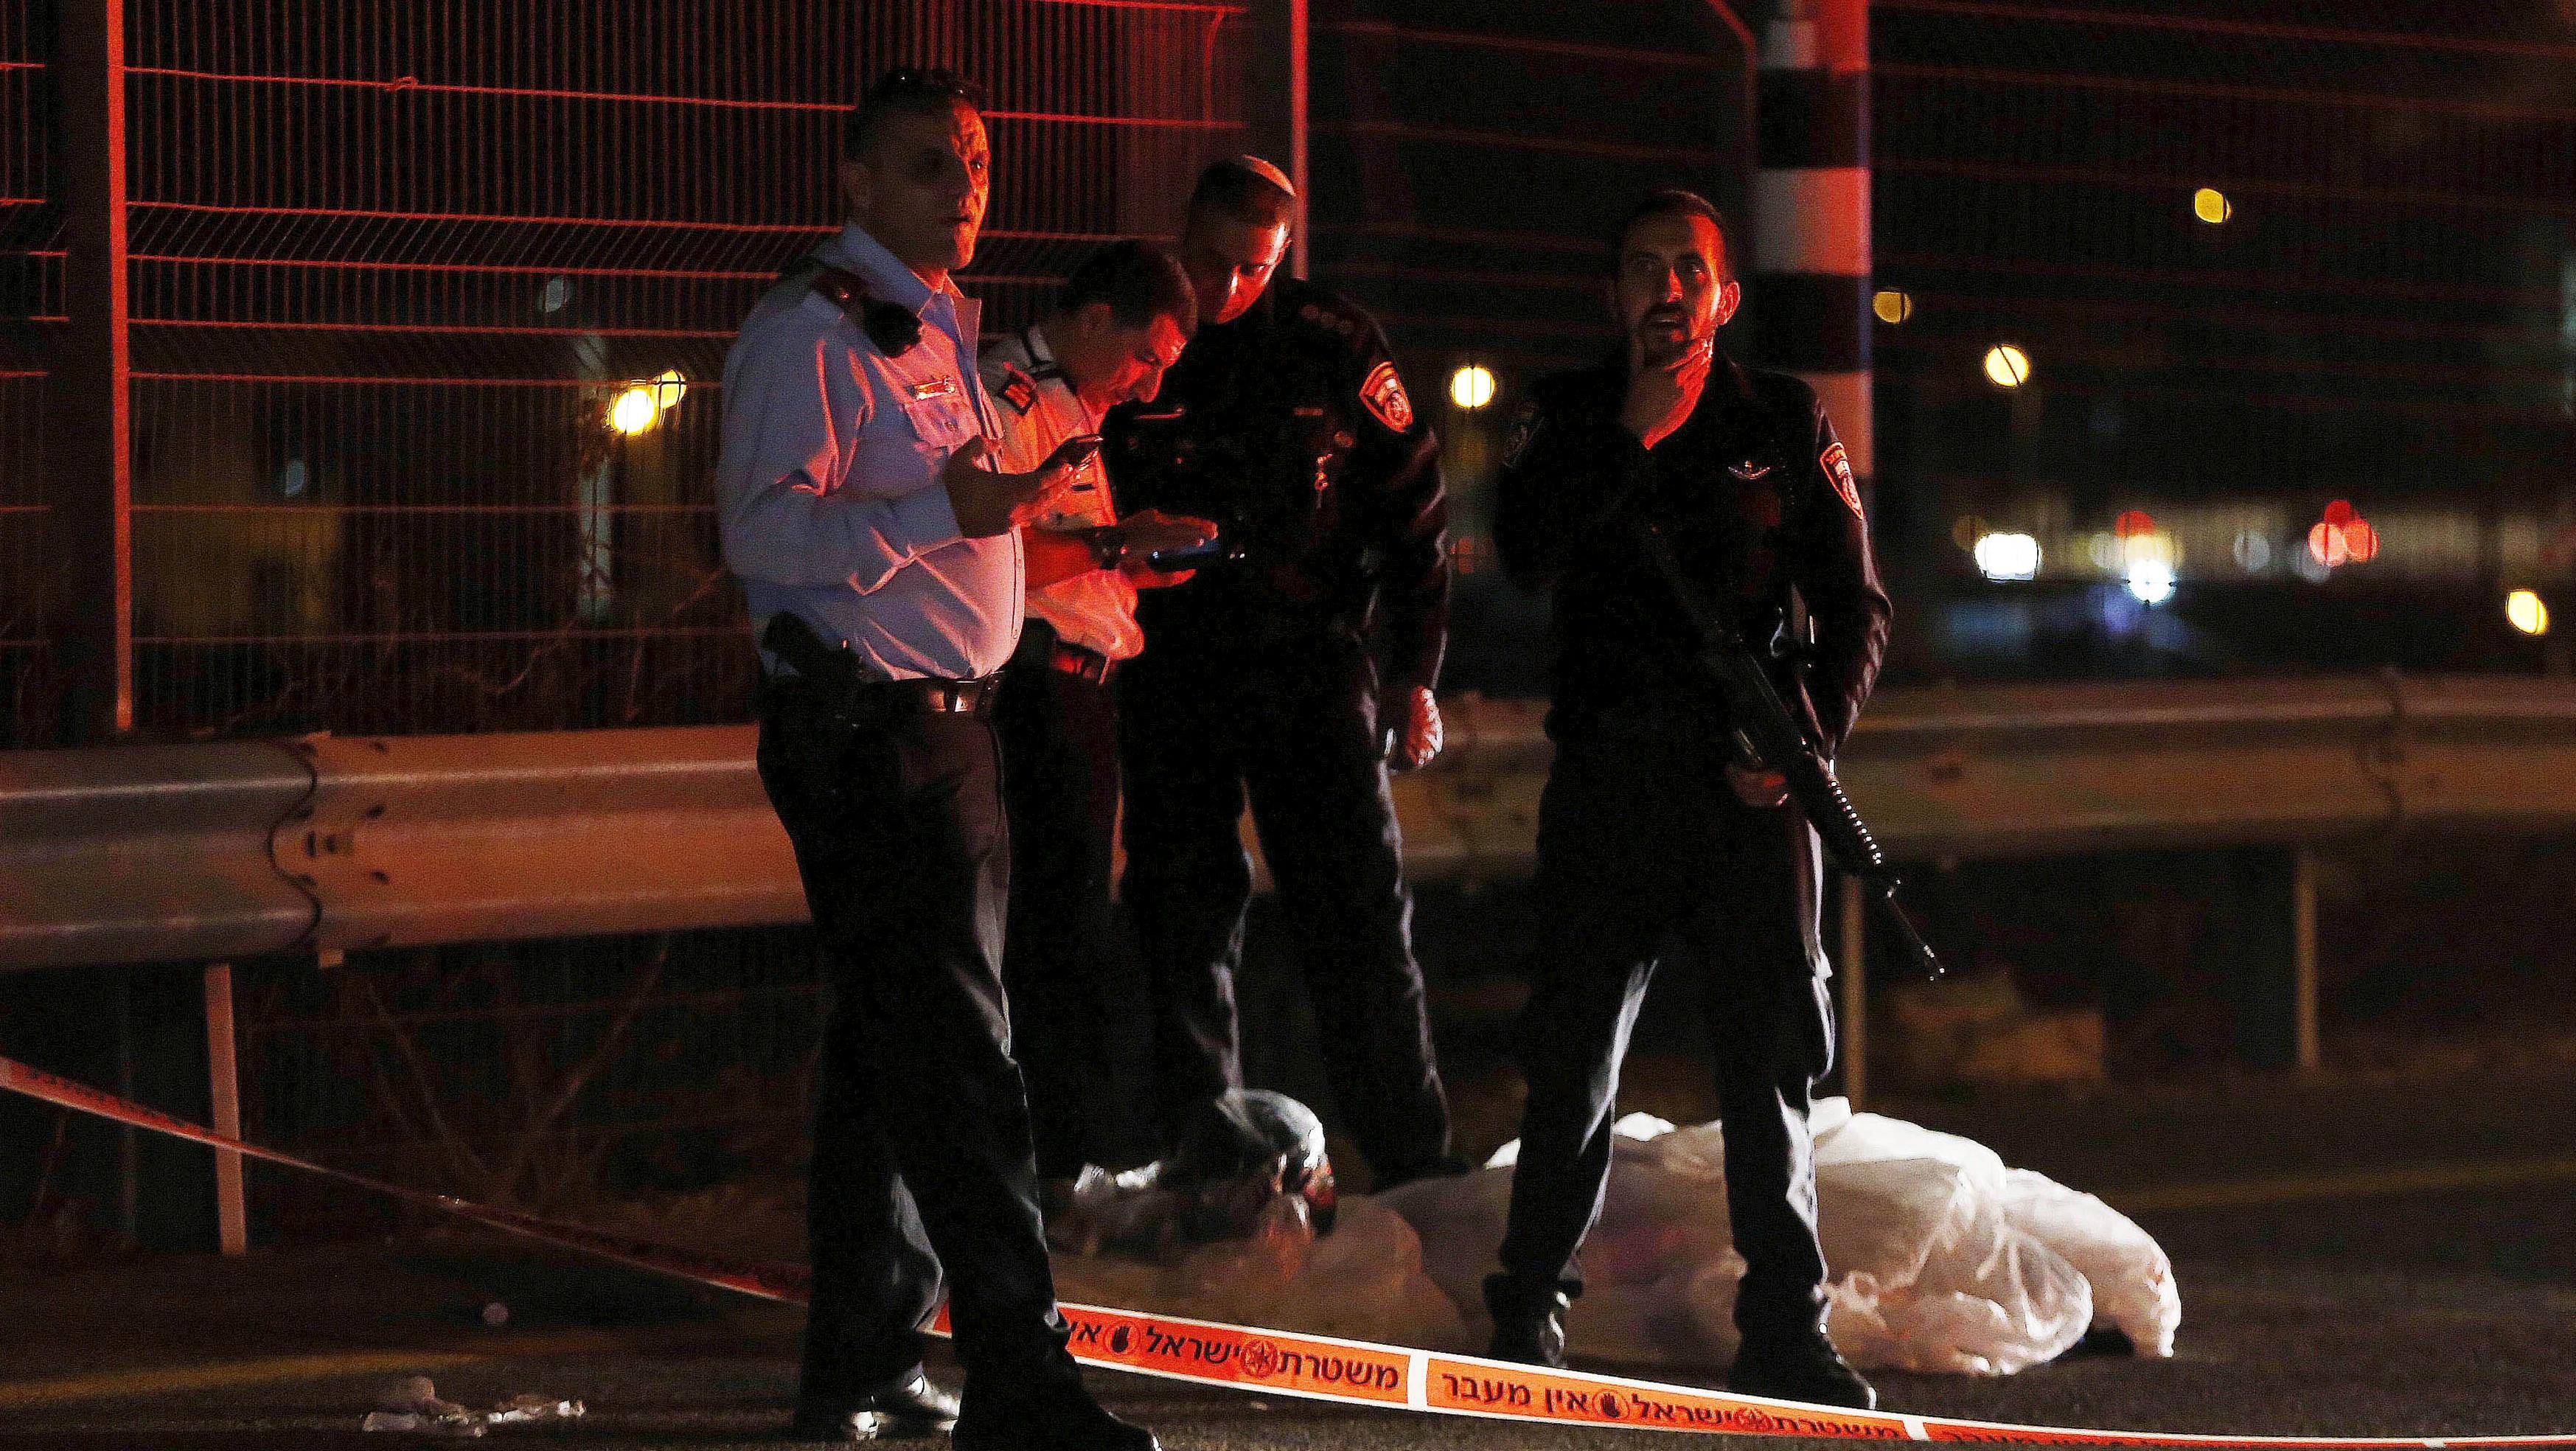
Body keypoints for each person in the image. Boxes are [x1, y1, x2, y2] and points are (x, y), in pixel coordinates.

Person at [714, 67, 1161, 1450]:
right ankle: (1021, 1380)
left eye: (973, 160)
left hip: (952, 729)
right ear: (855, 183)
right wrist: (930, 508)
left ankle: (858, 1356)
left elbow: (966, 527)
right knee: (965, 1060)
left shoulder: (938, 331)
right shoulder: (815, 332)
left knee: (889, 1056)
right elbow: (763, 537)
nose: (962, 184)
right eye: (926, 164)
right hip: (871, 734)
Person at [1480, 188, 1893, 1410]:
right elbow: (1520, 555)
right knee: (1572, 1060)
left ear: (1723, 296)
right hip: (1608, 775)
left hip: (1745, 790)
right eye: (1641, 268)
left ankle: (1783, 1325)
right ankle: (1524, 1313)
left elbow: (1854, 607)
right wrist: (1627, 437)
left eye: (1687, 271)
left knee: (1767, 1066)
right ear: (1611, 294)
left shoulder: (1779, 416)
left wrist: (1799, 739)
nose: (1664, 289)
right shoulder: (1559, 414)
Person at [1105, 156, 1459, 1191]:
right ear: (1181, 236)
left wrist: (1414, 674)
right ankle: (1206, 1172)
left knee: (1355, 917)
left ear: (1282, 258)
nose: (1223, 290)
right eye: (1207, 262)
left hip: (1309, 662)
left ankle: (1410, 1171)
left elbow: (1416, 521)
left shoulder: (1333, 345)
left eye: (1250, 270)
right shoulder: (1142, 339)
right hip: (1170, 661)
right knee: (1179, 922)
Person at [978, 240, 1214, 1187]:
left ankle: (1054, 1166)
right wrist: (1118, 543)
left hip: (1077, 688)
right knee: (1054, 944)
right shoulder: (1013, 395)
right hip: (1036, 695)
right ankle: (1041, 1172)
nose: (1152, 386)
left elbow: (1070, 562)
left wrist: (1129, 559)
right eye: (1146, 357)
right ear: (1094, 319)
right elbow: (995, 564)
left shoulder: (1070, 403)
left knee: (1072, 939)